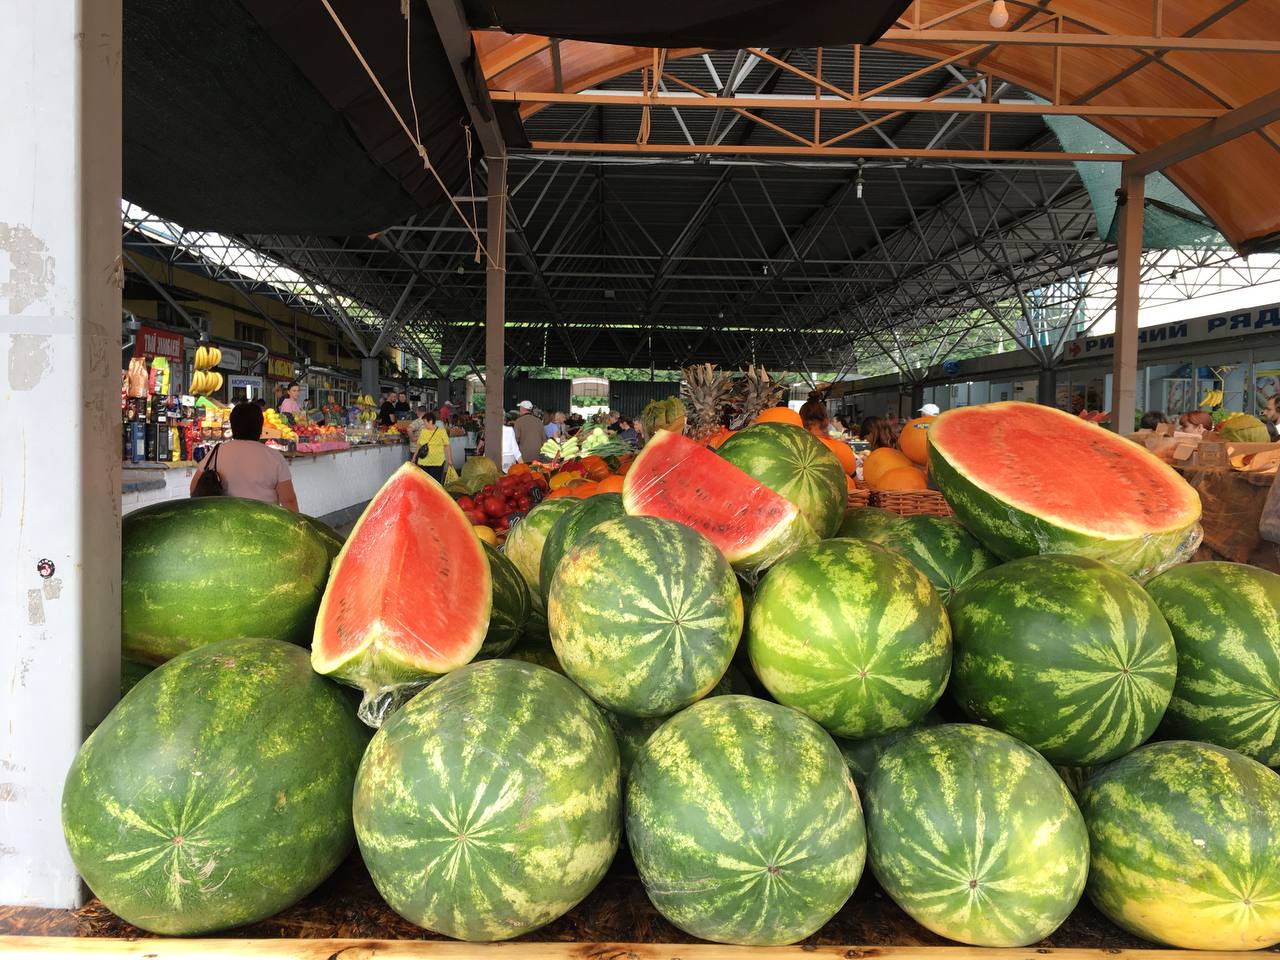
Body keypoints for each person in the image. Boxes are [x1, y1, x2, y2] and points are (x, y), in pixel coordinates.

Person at [189, 402, 299, 511]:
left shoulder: (217, 451)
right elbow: (288, 501)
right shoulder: (274, 457)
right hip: (262, 519)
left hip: (224, 519)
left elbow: (194, 488)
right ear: (260, 427)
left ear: (233, 427)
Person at [414, 409, 454, 482]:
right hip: (423, 462)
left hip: (437, 462)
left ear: (430, 421)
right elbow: (419, 445)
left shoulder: (442, 431)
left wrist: (450, 460)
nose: (424, 424)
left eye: (425, 422)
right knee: (424, 483)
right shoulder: (423, 431)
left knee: (435, 483)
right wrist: (414, 457)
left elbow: (447, 446)